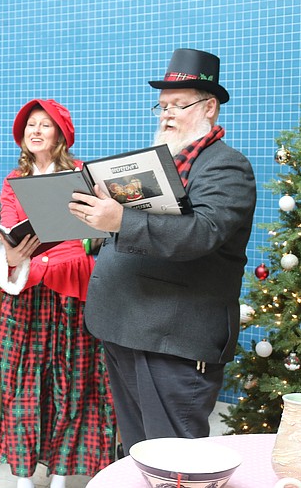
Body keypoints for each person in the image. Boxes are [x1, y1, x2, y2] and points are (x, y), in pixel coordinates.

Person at [69, 49, 257, 455]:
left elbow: (203, 232)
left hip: (173, 339)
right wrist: (97, 223)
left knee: (174, 458)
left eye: (179, 104)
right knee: (139, 451)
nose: (166, 114)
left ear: (210, 108)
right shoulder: (158, 165)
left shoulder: (226, 166)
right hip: (124, 325)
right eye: (162, 105)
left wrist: (119, 220)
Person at [0, 99, 117, 488]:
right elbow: (11, 232)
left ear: (60, 134)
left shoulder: (83, 175)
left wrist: (60, 254)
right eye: (30, 125)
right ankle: (23, 477)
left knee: (73, 383)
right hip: (27, 295)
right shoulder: (13, 181)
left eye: (45, 125)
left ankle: (61, 474)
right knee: (22, 385)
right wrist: (14, 252)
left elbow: (96, 233)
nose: (36, 131)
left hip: (73, 292)